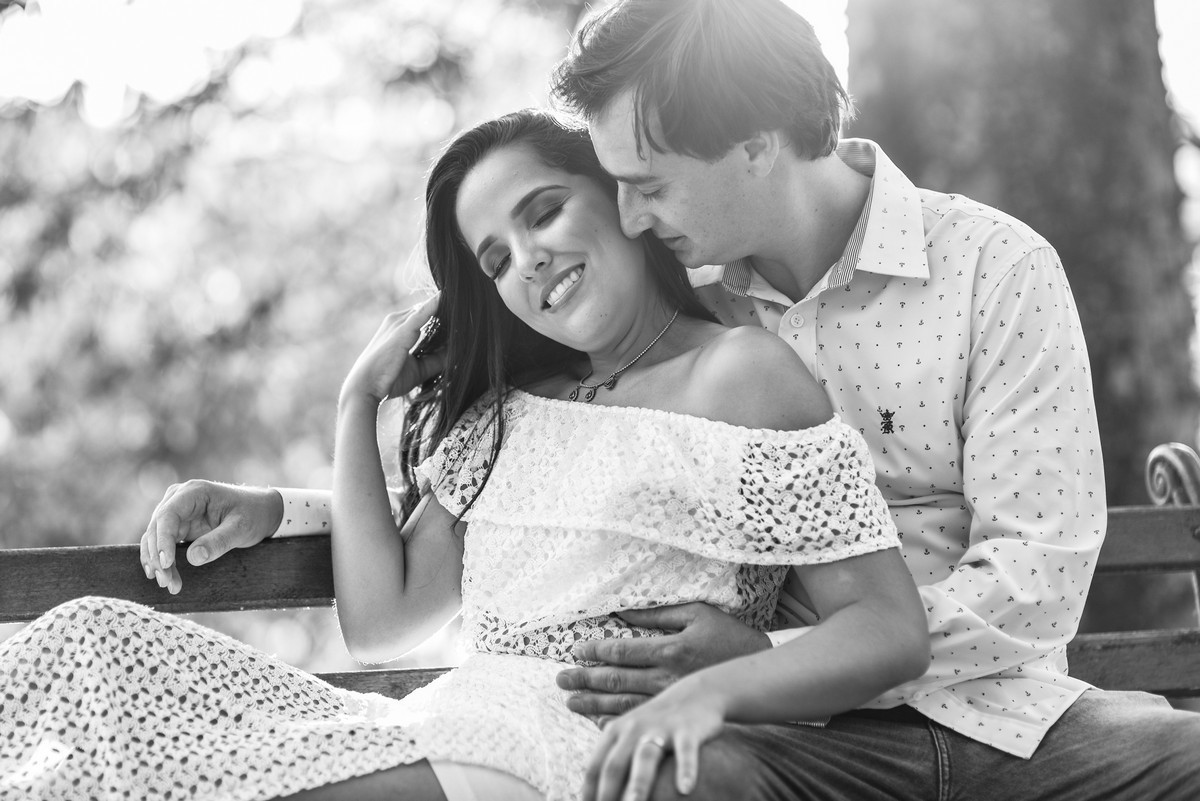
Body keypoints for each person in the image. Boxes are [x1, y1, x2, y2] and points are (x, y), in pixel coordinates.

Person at [0, 109, 930, 801]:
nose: (526, 258)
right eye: (493, 258)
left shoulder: (741, 375)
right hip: (448, 716)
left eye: (545, 210)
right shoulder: (502, 418)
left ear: (617, 196)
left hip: (574, 736)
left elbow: (886, 629)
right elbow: (383, 621)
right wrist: (358, 399)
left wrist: (730, 679)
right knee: (88, 640)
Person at [548, 0, 1200, 798]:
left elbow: (1039, 576)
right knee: (673, 780)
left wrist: (782, 663)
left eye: (648, 185)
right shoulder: (683, 314)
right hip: (786, 740)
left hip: (1014, 725)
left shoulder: (994, 267)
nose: (628, 216)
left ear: (755, 146)